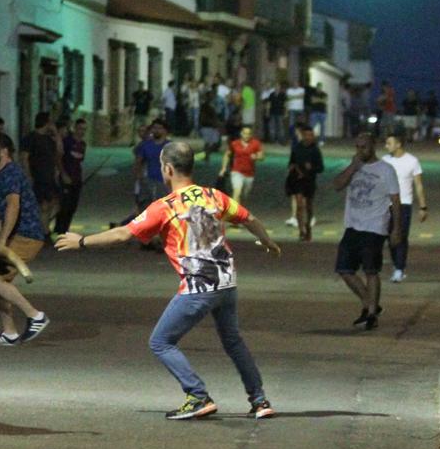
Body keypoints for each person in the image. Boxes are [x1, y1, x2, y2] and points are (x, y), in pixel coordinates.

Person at [56, 140, 280, 420]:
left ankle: (197, 396)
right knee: (233, 341)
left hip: (198, 287)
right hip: (227, 283)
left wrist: (83, 241)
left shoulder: (165, 207)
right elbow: (249, 218)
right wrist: (267, 241)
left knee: (161, 341)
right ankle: (259, 400)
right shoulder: (214, 196)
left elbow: (123, 234)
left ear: (168, 169)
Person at [0, 133, 49, 346]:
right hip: (18, 234)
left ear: (4, 151)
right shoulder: (2, 174)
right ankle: (9, 333)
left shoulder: (10, 173)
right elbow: (2, 214)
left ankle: (35, 316)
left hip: (27, 235)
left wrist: (1, 241)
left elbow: (13, 206)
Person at [332, 133, 403, 331]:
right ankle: (370, 303)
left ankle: (370, 313)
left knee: (371, 270)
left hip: (374, 226)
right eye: (357, 147)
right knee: (344, 269)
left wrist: (396, 229)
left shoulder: (386, 170)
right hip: (353, 225)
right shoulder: (354, 166)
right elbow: (337, 185)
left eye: (364, 147)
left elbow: (396, 201)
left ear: (373, 146)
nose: (360, 150)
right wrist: (353, 167)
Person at [382, 132, 427, 282]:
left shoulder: (412, 161)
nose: (386, 146)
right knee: (390, 237)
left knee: (400, 237)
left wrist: (423, 207)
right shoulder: (384, 161)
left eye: (389, 143)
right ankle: (396, 265)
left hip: (404, 204)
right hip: (386, 204)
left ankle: (400, 269)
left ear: (398, 144)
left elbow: (418, 185)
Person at [21, 111, 62, 234]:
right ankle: (42, 230)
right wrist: (28, 175)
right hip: (38, 176)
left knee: (54, 202)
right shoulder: (31, 138)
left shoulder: (49, 139)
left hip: (49, 176)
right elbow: (24, 157)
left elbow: (59, 151)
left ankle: (43, 227)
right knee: (42, 204)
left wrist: (56, 134)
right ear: (46, 123)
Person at [285, 124, 324, 241]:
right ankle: (301, 230)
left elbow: (321, 168)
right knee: (299, 204)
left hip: (309, 180)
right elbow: (291, 162)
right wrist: (292, 168)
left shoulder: (315, 150)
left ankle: (308, 226)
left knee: (309, 206)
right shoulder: (296, 148)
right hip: (297, 180)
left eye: (311, 135)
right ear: (302, 135)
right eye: (306, 135)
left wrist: (311, 167)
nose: (308, 137)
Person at [54, 118, 87, 235]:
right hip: (65, 178)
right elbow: (59, 158)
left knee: (73, 206)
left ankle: (65, 230)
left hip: (77, 179)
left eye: (84, 129)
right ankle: (59, 230)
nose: (82, 131)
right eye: (80, 129)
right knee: (64, 206)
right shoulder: (67, 141)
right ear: (75, 128)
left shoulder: (83, 144)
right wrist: (63, 174)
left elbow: (80, 160)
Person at [220, 124, 263, 206]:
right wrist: (224, 168)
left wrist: (256, 156)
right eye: (245, 133)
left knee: (245, 195)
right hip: (236, 171)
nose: (246, 135)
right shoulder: (235, 143)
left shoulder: (256, 143)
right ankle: (235, 213)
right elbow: (227, 155)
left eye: (248, 134)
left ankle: (241, 209)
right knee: (237, 192)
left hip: (249, 174)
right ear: (241, 133)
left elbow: (262, 156)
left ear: (251, 134)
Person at [133, 120, 169, 214]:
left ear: (165, 131)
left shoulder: (169, 146)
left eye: (159, 128)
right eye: (154, 128)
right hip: (148, 181)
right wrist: (139, 178)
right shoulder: (145, 145)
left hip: (164, 182)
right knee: (145, 209)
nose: (156, 130)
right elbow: (138, 162)